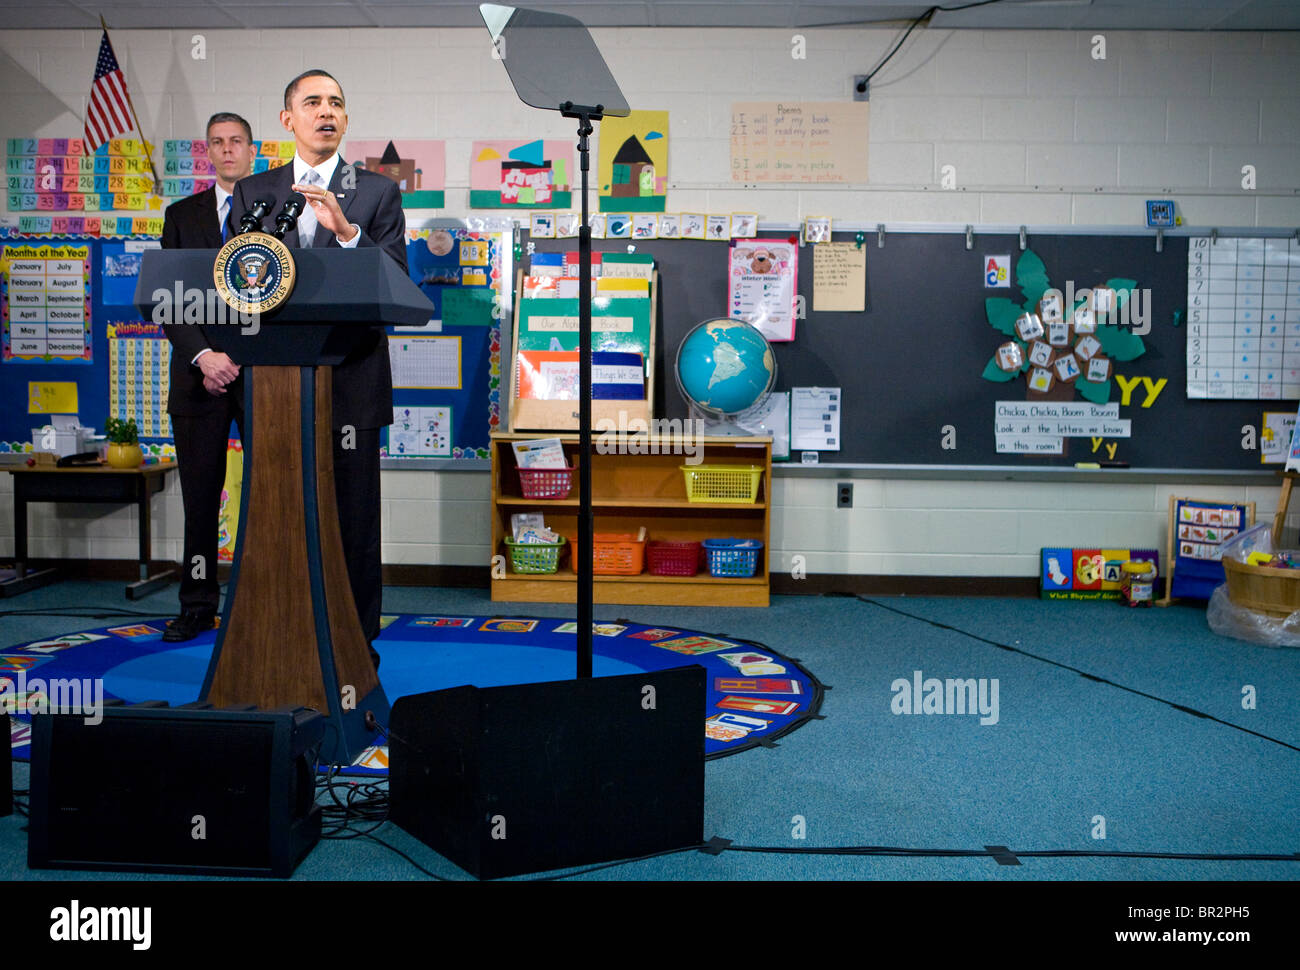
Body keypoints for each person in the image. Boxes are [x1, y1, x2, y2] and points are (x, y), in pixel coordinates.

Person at [229, 69, 406, 668]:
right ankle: (277, 632)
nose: (326, 112)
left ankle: (357, 645)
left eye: (337, 102)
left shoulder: (376, 193)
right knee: (277, 512)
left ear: (345, 119)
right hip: (274, 389)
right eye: (313, 103)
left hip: (351, 384)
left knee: (352, 518)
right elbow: (233, 286)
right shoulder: (254, 193)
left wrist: (348, 233)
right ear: (288, 120)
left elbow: (397, 284)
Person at [160, 112, 257, 642]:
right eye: (217, 143)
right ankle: (197, 605)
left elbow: (283, 293)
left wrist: (240, 358)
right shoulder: (181, 215)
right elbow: (169, 299)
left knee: (271, 495)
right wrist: (205, 357)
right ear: (208, 152)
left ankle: (262, 600)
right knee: (201, 499)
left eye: (235, 141)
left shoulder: (279, 214)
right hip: (199, 377)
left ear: (251, 149)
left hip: (262, 376)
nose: (226, 150)